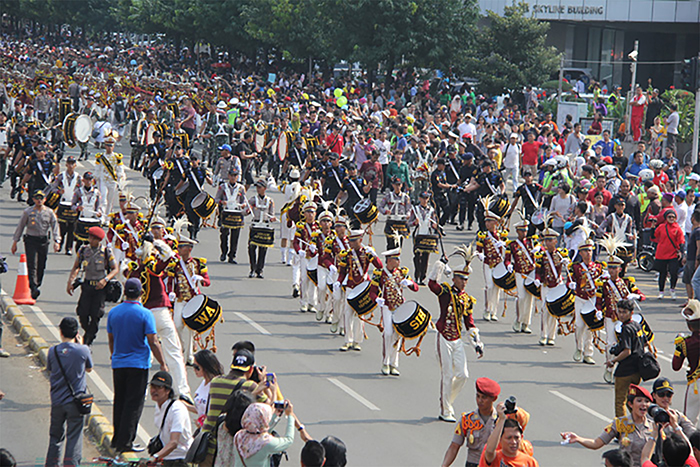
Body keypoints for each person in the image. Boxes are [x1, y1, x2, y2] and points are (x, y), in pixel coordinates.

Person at [107, 278, 168, 453]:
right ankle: (126, 442)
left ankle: (117, 438)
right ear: (141, 293)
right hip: (138, 364)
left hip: (119, 362)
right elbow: (153, 341)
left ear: (125, 292)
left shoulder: (114, 312)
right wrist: (162, 363)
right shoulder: (145, 314)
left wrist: (114, 353)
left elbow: (111, 338)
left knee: (120, 400)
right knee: (133, 404)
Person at [428, 255, 483, 422]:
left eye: (466, 279)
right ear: (454, 278)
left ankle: (447, 401)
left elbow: (469, 322)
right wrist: (440, 265)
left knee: (463, 374)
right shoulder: (446, 291)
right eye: (460, 278)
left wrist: (476, 343)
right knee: (447, 374)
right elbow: (432, 285)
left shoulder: (467, 299)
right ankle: (445, 410)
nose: (464, 282)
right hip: (444, 336)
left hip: (457, 339)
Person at [560, 384, 654, 467]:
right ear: (630, 404)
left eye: (646, 401)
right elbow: (596, 443)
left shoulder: (654, 427)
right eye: (639, 401)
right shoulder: (620, 423)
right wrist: (578, 439)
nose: (644, 404)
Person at [45, 317, 93, 467]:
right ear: (77, 333)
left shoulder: (53, 351)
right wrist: (81, 344)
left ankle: (52, 464)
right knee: (74, 436)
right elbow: (89, 368)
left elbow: (50, 369)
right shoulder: (83, 350)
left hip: (57, 400)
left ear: (60, 332)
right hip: (76, 402)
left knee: (55, 437)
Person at [66, 226, 118, 346]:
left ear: (99, 240)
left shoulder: (106, 252)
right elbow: (76, 266)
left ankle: (88, 341)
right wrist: (70, 281)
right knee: (82, 313)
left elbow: (115, 269)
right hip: (87, 285)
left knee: (96, 314)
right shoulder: (84, 250)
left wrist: (105, 280)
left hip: (100, 288)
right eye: (90, 237)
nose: (91, 240)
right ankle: (88, 333)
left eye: (93, 238)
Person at [371, 247, 419, 376]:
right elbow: (372, 291)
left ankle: (394, 363)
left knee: (397, 334)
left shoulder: (402, 272)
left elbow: (416, 288)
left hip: (400, 307)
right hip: (387, 306)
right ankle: (385, 362)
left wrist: (409, 283)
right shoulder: (380, 273)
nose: (398, 262)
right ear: (389, 260)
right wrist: (377, 299)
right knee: (388, 333)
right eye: (396, 259)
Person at [335, 229, 383, 351]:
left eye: (353, 240)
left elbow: (379, 266)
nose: (350, 243)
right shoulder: (346, 255)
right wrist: (338, 281)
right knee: (348, 314)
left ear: (360, 240)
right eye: (350, 240)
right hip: (350, 287)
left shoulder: (366, 253)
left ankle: (357, 340)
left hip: (362, 287)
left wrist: (373, 255)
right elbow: (342, 272)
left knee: (360, 315)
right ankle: (347, 340)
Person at [11, 189, 61, 299]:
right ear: (33, 199)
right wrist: (15, 242)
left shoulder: (49, 212)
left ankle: (37, 284)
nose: (39, 200)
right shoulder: (28, 212)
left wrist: (57, 241)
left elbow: (55, 227)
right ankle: (33, 287)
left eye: (41, 198)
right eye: (37, 198)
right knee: (31, 264)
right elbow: (20, 227)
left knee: (41, 264)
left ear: (45, 199)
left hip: (43, 240)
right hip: (31, 240)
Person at [441, 378, 500, 467]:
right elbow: (454, 446)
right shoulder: (467, 420)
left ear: (494, 399)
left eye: (484, 397)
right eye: (478, 396)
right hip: (473, 463)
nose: (480, 400)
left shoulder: (501, 421)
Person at [145, 371, 193, 464]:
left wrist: (155, 457)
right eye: (153, 386)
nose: (154, 390)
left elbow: (174, 442)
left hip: (181, 458)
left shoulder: (177, 409)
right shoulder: (159, 405)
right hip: (167, 456)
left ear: (168, 391)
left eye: (159, 387)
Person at [608, 299, 644, 418]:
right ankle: (639, 422)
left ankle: (621, 431)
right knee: (632, 402)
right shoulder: (637, 325)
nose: (621, 315)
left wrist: (612, 361)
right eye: (619, 311)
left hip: (625, 371)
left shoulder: (626, 328)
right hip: (637, 370)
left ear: (631, 313)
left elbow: (627, 351)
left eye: (624, 312)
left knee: (620, 402)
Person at [535, 227, 569, 346]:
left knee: (554, 311)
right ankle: (543, 335)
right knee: (545, 310)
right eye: (546, 240)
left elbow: (568, 268)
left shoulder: (560, 254)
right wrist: (537, 280)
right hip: (546, 286)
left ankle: (551, 335)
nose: (548, 242)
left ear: (555, 241)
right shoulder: (542, 255)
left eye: (551, 240)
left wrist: (566, 262)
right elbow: (538, 271)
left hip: (557, 286)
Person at [233, 402, 296, 467]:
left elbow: (260, 430)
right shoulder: (266, 442)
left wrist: (275, 415)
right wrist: (290, 416)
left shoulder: (239, 436)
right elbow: (289, 440)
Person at [479, 402, 538, 467]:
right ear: (500, 439)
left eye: (516, 437)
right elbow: (489, 451)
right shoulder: (496, 458)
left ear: (521, 437)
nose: (513, 442)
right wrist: (502, 419)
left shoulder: (530, 462)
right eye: (509, 438)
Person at [674, 300, 700, 426]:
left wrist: (678, 347)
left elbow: (676, 366)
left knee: (689, 421)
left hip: (696, 385)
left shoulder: (686, 343)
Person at [214, 168, 247, 263]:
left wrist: (244, 204)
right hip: (226, 212)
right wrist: (221, 202)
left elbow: (244, 200)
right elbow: (216, 199)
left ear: (237, 177)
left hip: (236, 213)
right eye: (231, 175)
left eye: (235, 176)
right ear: (228, 176)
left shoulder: (241, 188)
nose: (233, 177)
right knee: (224, 234)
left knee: (235, 236)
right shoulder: (223, 187)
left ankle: (232, 255)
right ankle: (224, 251)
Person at [185, 349, 224, 428]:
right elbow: (201, 408)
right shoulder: (203, 382)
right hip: (202, 428)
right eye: (193, 366)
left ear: (206, 367)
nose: (194, 370)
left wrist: (204, 423)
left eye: (197, 367)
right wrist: (185, 405)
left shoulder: (217, 385)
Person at [654, 210, 685, 300]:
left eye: (673, 217)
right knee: (662, 273)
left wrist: (681, 252)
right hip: (662, 253)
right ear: (666, 218)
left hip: (673, 254)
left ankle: (672, 289)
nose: (671, 218)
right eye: (669, 217)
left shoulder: (677, 228)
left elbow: (681, 241)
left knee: (673, 272)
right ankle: (661, 291)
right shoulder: (661, 227)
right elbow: (654, 237)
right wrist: (652, 227)